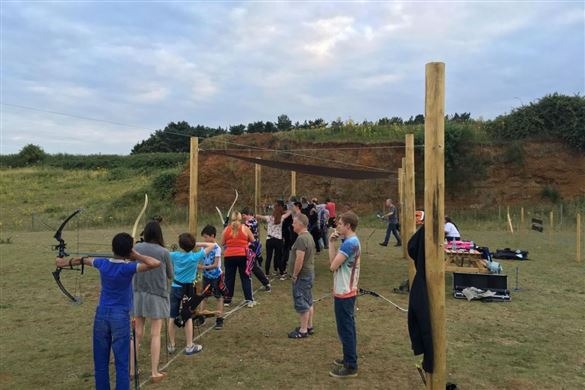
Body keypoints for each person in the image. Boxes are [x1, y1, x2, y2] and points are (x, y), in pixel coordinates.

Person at [55, 233, 161, 390]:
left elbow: (84, 259)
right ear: (129, 251)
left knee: (101, 362)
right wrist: (136, 255)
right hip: (120, 318)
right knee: (122, 363)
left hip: (102, 315)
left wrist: (63, 262)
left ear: (113, 248)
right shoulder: (129, 267)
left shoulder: (102, 263)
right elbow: (155, 263)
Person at [130, 220, 173, 384]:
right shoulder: (163, 252)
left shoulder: (136, 249)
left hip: (138, 295)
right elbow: (171, 275)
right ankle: (154, 372)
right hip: (156, 295)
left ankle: (132, 370)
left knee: (137, 333)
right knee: (155, 334)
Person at [167, 232, 215, 356]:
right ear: (192, 245)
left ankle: (171, 345)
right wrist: (197, 244)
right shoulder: (195, 256)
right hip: (186, 289)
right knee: (187, 316)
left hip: (175, 287)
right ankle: (189, 346)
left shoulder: (175, 255)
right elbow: (213, 244)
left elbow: (163, 254)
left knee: (172, 316)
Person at [328, 211, 361, 378]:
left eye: (340, 224)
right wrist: (332, 242)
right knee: (347, 327)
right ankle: (349, 357)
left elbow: (333, 266)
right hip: (346, 290)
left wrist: (332, 243)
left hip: (345, 292)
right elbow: (334, 262)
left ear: (348, 226)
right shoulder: (349, 241)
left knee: (346, 328)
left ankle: (351, 365)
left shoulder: (349, 244)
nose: (337, 226)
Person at [287, 213, 316, 339]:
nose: (292, 224)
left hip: (302, 275)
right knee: (308, 301)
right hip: (308, 274)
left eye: (294, 222)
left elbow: (299, 259)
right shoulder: (308, 236)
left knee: (301, 301)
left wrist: (294, 275)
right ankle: (309, 326)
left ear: (300, 224)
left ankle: (303, 330)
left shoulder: (301, 239)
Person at [222, 211, 255, 308]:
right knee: (245, 277)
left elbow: (223, 242)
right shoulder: (245, 228)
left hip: (229, 256)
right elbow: (253, 240)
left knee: (229, 278)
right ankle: (249, 300)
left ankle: (227, 299)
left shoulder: (227, 229)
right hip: (242, 255)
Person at [198, 225, 229, 330]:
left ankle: (219, 319)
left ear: (212, 236)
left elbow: (216, 264)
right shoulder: (204, 247)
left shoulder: (217, 248)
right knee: (204, 296)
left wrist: (203, 267)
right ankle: (201, 317)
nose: (205, 239)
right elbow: (201, 258)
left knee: (219, 297)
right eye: (204, 237)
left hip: (216, 276)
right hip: (206, 276)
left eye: (206, 237)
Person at [241, 207, 272, 292]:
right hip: (253, 246)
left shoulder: (250, 223)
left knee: (253, 266)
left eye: (243, 216)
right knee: (251, 266)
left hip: (252, 247)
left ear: (247, 214)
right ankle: (265, 282)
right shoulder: (253, 221)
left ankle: (266, 283)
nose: (243, 217)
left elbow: (243, 229)